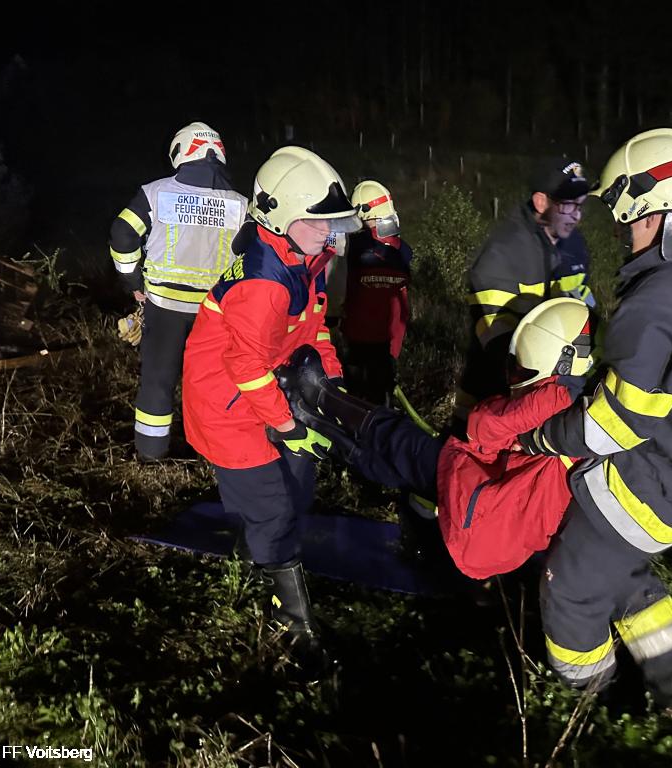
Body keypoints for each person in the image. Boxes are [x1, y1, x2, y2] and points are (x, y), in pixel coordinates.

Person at [513, 128, 672, 719]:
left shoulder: (657, 300)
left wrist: (542, 437)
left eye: (627, 218)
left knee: (570, 586)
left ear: (651, 208)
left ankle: (589, 709)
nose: (623, 232)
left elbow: (613, 426)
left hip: (657, 481)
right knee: (621, 578)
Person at [181, 146, 362, 669]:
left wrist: (331, 386)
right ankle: (292, 626)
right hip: (230, 403)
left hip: (270, 388)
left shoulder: (308, 261)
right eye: (318, 221)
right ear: (281, 219)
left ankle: (255, 550)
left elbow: (315, 330)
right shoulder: (263, 282)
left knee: (297, 485)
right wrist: (286, 425)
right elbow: (244, 366)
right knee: (273, 507)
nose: (329, 232)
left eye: (332, 222)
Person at [278, 298, 594, 580]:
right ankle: (313, 423)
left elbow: (483, 427)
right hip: (497, 527)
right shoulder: (590, 416)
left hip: (481, 510)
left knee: (397, 437)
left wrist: (537, 404)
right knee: (393, 466)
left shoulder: (560, 403)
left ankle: (320, 393)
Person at [109, 122, 248, 461]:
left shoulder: (154, 193)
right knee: (213, 384)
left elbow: (123, 233)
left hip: (164, 308)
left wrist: (133, 282)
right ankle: (214, 454)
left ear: (181, 151)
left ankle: (151, 454)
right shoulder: (243, 205)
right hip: (216, 313)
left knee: (158, 382)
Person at [455, 156, 595, 424]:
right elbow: (499, 345)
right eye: (568, 205)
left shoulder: (574, 245)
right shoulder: (502, 253)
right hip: (494, 404)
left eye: (580, 205)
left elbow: (583, 308)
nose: (576, 215)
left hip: (548, 396)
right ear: (541, 202)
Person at [337, 179, 413, 404]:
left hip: (356, 343)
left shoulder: (353, 247)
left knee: (355, 404)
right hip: (389, 345)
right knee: (381, 403)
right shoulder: (403, 252)